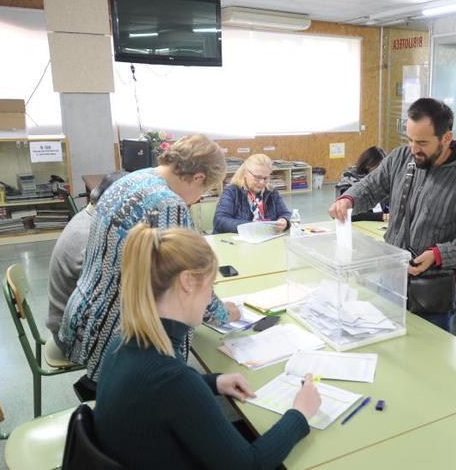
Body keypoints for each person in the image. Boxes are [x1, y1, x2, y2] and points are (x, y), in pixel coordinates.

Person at [95, 224, 320, 469]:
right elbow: (249, 465)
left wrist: (213, 382)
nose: (210, 298)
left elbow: (153, 393)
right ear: (188, 283)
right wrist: (300, 414)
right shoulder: (173, 380)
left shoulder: (125, 341)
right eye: (211, 286)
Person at [60, 134, 240, 392]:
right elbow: (187, 276)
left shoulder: (134, 178)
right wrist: (223, 313)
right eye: (203, 191)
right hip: (117, 333)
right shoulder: (167, 203)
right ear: (198, 177)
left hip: (86, 317)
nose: (198, 199)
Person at [329, 98, 456, 332]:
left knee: (427, 361)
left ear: (446, 138)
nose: (414, 149)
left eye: (423, 142)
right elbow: (371, 186)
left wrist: (438, 255)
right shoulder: (401, 157)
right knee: (387, 348)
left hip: (432, 294)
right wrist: (349, 199)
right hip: (390, 279)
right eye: (410, 140)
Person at [46, 171, 125, 354]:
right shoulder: (92, 235)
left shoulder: (87, 216)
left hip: (65, 321)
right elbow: (108, 297)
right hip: (70, 337)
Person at [213, 154, 291, 234]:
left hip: (265, 238)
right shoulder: (232, 191)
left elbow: (285, 213)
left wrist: (284, 221)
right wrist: (252, 227)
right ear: (245, 174)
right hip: (238, 242)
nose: (262, 182)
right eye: (257, 177)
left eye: (265, 178)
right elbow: (220, 220)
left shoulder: (271, 191)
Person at [334, 146, 390, 222]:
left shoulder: (382, 180)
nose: (381, 171)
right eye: (378, 167)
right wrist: (382, 216)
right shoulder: (348, 180)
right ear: (368, 165)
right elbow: (351, 214)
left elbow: (388, 206)